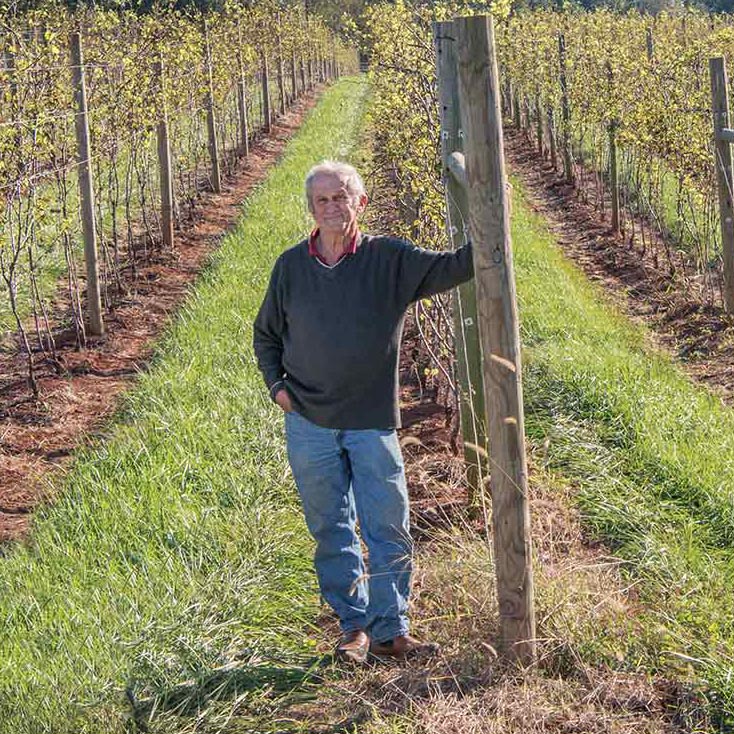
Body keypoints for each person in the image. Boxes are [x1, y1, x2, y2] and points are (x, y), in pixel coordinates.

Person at [253, 160, 473, 663]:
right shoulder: (291, 267)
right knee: (330, 527)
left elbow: (456, 266)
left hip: (371, 420)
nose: (332, 207)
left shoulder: (389, 259)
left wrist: (493, 207)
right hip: (309, 422)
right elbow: (266, 334)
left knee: (386, 523)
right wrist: (277, 388)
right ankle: (353, 628)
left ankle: (392, 628)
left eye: (341, 196)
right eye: (322, 200)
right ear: (312, 208)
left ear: (361, 202)